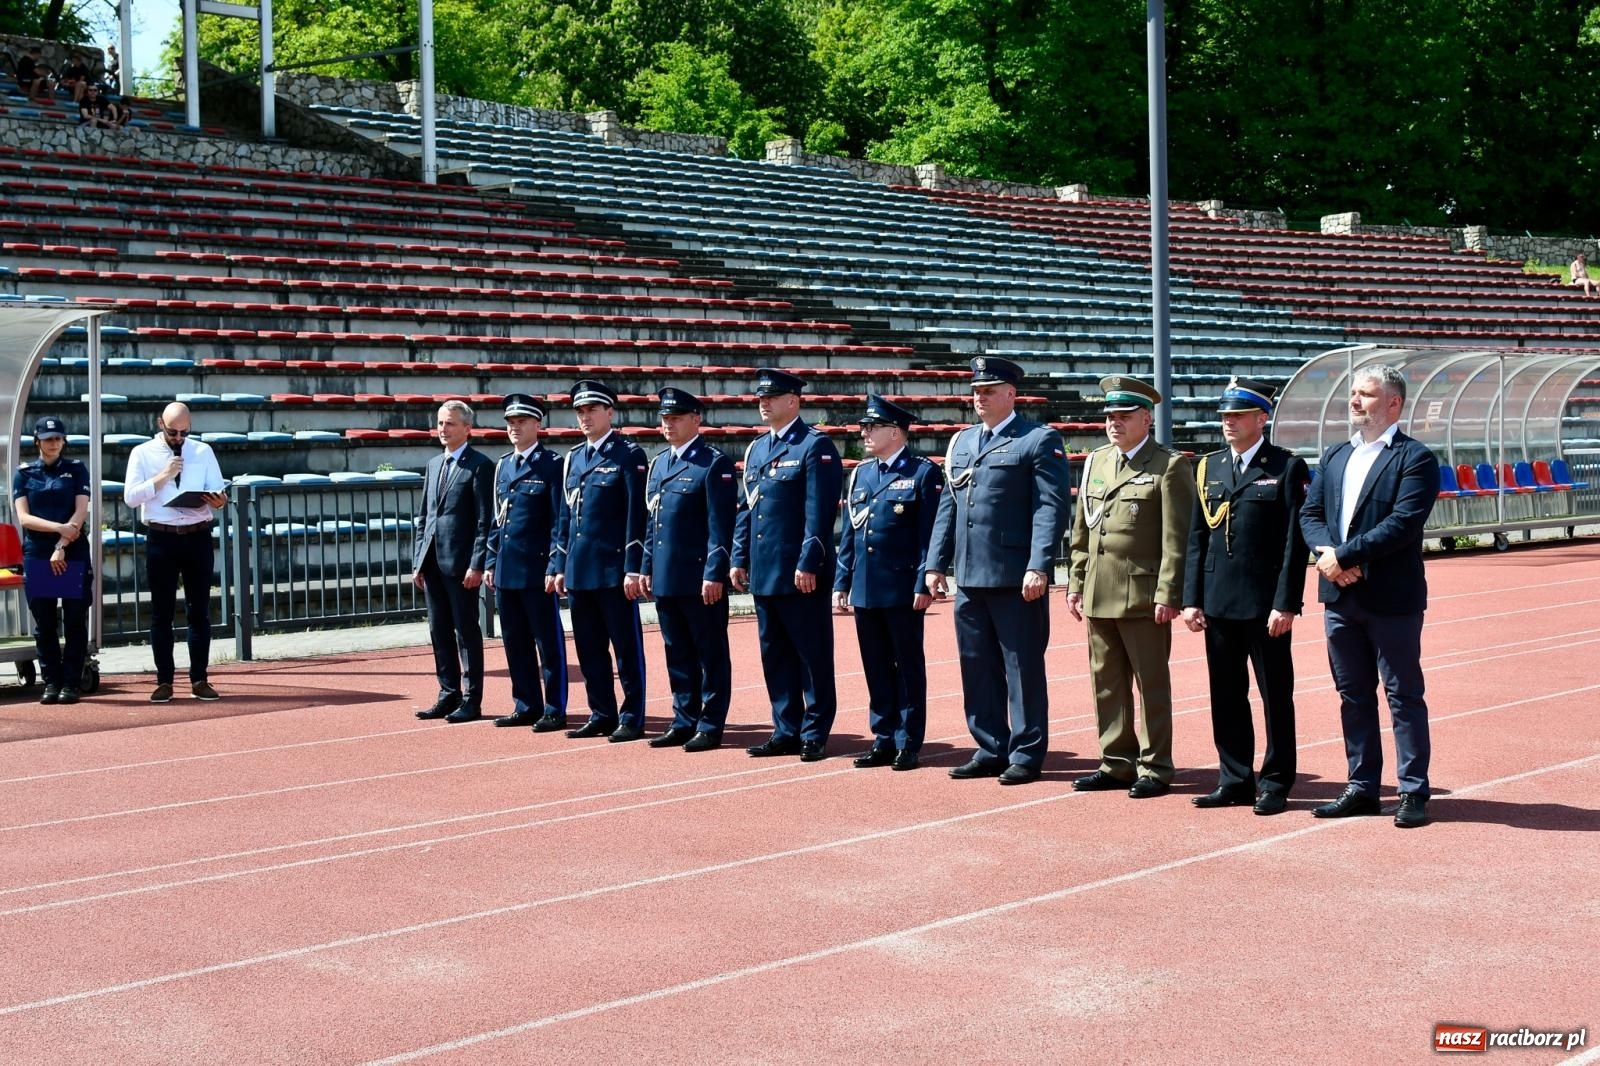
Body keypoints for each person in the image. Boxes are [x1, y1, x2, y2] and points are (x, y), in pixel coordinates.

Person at [1299, 364, 1441, 829]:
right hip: (1340, 597)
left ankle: (1413, 792)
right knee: (1353, 695)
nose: (1355, 401)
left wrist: (1343, 555)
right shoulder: (1336, 454)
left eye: (1366, 394)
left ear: (1394, 403)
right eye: (1353, 393)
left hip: (1391, 597)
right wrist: (1329, 557)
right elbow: (1311, 513)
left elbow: (1403, 523)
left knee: (1403, 696)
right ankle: (1362, 787)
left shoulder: (1415, 458)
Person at [924, 357, 1071, 785]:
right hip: (970, 575)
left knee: (1021, 669)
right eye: (976, 391)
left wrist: (1039, 565)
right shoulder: (963, 442)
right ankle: (990, 746)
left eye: (989, 390)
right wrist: (935, 562)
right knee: (977, 665)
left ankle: (1025, 753)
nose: (980, 397)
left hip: (1014, 576)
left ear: (1011, 394)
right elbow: (948, 507)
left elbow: (1051, 507)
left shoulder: (1038, 440)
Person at [1181, 378, 1310, 816]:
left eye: (1237, 416)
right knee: (1226, 694)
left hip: (1264, 603)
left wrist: (1287, 602)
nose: (1228, 423)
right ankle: (1235, 778)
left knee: (1276, 695)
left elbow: (1295, 543)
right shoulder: (1208, 467)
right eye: (1224, 417)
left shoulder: (1287, 467)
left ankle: (1275, 782)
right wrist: (1191, 598)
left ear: (1261, 418)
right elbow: (1196, 538)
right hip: (1218, 601)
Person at [1067, 376, 1196, 798]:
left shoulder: (1169, 465)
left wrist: (1169, 592)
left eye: (1124, 416)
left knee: (1151, 685)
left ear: (1146, 419)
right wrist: (1075, 580)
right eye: (1110, 416)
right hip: (1099, 591)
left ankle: (1155, 767)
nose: (1114, 423)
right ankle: (1115, 762)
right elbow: (1084, 529)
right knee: (1106, 682)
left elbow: (1176, 538)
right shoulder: (1097, 462)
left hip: (1142, 595)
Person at [731, 368, 842, 762]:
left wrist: (809, 561)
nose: (764, 403)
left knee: (811, 654)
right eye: (761, 397)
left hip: (800, 573)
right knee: (774, 654)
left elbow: (820, 511)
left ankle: (814, 731)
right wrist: (739, 556)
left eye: (772, 397)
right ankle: (785, 728)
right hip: (764, 571)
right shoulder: (756, 449)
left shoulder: (815, 446)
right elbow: (747, 508)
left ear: (793, 401)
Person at [835, 395, 944, 771]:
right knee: (876, 666)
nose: (864, 433)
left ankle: (908, 741)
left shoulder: (922, 473)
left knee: (907, 666)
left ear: (894, 431)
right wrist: (842, 579)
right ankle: (883, 737)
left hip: (902, 589)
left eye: (872, 427)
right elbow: (849, 532)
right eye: (864, 427)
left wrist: (922, 583)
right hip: (865, 587)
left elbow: (929, 537)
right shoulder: (861, 474)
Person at [549, 380, 649, 743]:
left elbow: (637, 515)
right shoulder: (574, 458)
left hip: (613, 570)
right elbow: (564, 517)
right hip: (579, 569)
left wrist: (633, 566)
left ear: (610, 412)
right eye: (580, 411)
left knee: (625, 649)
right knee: (589, 649)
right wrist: (558, 565)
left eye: (592, 410)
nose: (585, 417)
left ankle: (632, 715)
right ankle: (601, 711)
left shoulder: (628, 455)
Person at [641, 388, 737, 751]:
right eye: (665, 418)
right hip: (667, 577)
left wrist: (714, 572)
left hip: (699, 579)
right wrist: (646, 566)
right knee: (676, 652)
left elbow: (720, 525)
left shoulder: (712, 463)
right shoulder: (658, 463)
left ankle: (710, 725)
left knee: (709, 654)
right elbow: (653, 524)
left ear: (696, 420)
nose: (669, 424)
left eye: (677, 418)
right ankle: (683, 719)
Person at [122, 401, 227, 702]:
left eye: (184, 432)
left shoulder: (202, 451)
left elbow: (216, 488)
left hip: (197, 535)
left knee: (199, 612)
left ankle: (200, 679)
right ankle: (164, 681)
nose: (179, 439)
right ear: (160, 425)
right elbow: (130, 497)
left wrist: (218, 499)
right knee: (161, 613)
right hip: (161, 537)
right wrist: (163, 477)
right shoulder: (142, 453)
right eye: (173, 432)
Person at [482, 394, 567, 732]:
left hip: (537, 568)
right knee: (515, 642)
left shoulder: (552, 464)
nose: (515, 428)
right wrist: (490, 560)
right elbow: (496, 519)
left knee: (548, 643)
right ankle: (525, 703)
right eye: (510, 422)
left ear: (537, 424)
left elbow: (559, 520)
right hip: (506, 568)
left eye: (521, 422)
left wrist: (554, 565)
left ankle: (554, 706)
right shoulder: (503, 465)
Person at [411, 400, 495, 723]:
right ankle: (448, 694)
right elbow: (424, 517)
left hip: (461, 566)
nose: (442, 429)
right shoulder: (433, 465)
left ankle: (472, 700)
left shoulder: (480, 466)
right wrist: (418, 562)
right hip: (432, 564)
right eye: (440, 423)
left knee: (466, 632)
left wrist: (477, 563)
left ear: (467, 429)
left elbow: (484, 521)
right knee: (439, 630)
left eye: (449, 424)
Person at [13, 417, 92, 705]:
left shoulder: (76, 470)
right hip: (38, 551)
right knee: (44, 622)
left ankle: (71, 682)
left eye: (58, 438)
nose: (54, 443)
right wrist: (58, 529)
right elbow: (24, 517)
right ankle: (51, 681)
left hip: (70, 550)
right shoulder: (24, 473)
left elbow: (81, 511)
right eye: (48, 439)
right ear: (37, 442)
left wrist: (61, 544)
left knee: (74, 619)